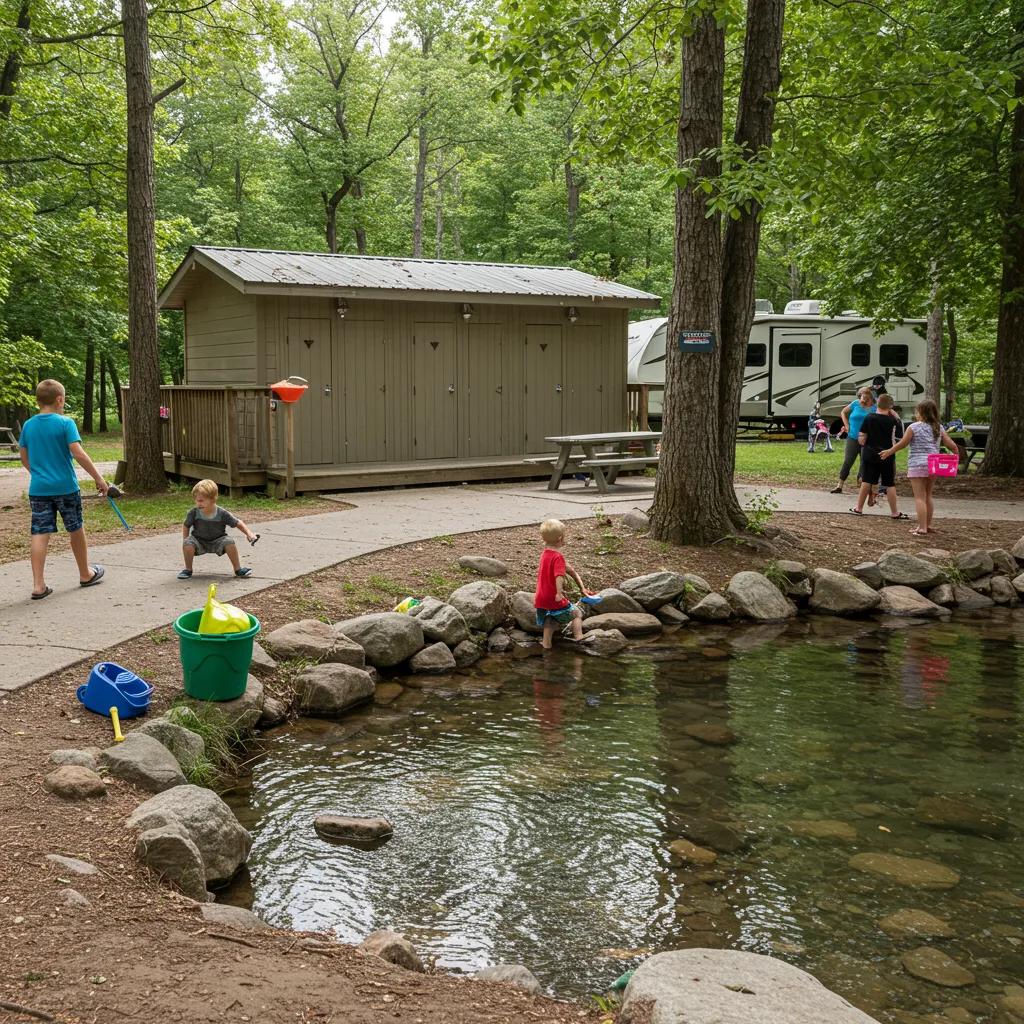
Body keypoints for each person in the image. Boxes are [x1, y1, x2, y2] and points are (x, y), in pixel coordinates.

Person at [18, 380, 109, 600]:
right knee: (75, 528)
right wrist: (99, 478)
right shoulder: (65, 423)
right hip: (66, 488)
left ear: (38, 400)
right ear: (60, 399)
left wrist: (38, 474)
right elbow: (78, 453)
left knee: (40, 533)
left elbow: (23, 457)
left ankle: (38, 585)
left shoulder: (29, 425)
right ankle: (85, 574)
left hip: (39, 489)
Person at [881, 398, 957, 536]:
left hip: (917, 464)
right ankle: (927, 526)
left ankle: (921, 528)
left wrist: (889, 452)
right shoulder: (938, 427)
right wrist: (956, 453)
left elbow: (903, 444)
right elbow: (950, 444)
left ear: (920, 412)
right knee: (928, 496)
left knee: (919, 498)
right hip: (933, 465)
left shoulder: (913, 427)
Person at [178, 479, 258, 579]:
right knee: (188, 543)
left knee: (229, 542)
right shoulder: (193, 513)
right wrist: (185, 540)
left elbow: (237, 522)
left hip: (218, 540)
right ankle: (188, 570)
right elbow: (186, 525)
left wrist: (249, 534)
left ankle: (238, 569)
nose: (198, 503)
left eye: (201, 500)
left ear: (213, 499)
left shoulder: (222, 513)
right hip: (199, 541)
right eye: (196, 500)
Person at [533, 518, 592, 650]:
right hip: (554, 596)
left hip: (541, 597)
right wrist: (559, 593)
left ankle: (546, 644)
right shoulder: (558, 557)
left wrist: (581, 587)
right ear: (560, 538)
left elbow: (568, 570)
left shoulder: (544, 554)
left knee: (550, 618)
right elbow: (558, 575)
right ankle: (579, 637)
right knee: (576, 613)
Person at [850, 394, 909, 519]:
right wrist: (896, 416)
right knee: (889, 483)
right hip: (888, 454)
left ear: (877, 403)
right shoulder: (894, 421)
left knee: (867, 480)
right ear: (891, 406)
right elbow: (899, 439)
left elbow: (861, 438)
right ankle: (894, 512)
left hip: (869, 453)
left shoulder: (868, 417)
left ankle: (858, 508)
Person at [830, 387, 876, 493]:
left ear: (869, 398)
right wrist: (846, 425)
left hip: (867, 439)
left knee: (864, 462)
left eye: (864, 398)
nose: (861, 400)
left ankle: (861, 483)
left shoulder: (874, 408)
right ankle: (839, 485)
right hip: (852, 437)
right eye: (860, 397)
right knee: (848, 461)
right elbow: (843, 412)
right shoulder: (855, 403)